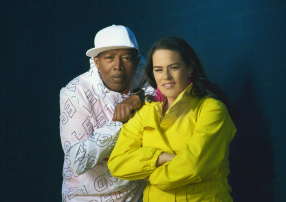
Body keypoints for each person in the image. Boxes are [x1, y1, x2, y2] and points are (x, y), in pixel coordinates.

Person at [108, 36, 237, 202]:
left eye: (173, 67)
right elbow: (117, 163)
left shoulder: (211, 109)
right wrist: (160, 157)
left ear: (189, 67)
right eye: (159, 69)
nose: (166, 76)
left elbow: (193, 166)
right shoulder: (145, 112)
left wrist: (151, 175)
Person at [59, 25, 153, 202]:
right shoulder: (75, 92)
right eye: (109, 57)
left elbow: (168, 86)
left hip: (134, 194)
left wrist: (138, 97)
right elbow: (77, 161)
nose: (118, 66)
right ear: (96, 61)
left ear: (136, 60)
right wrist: (118, 124)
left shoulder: (142, 72)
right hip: (86, 196)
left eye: (126, 58)